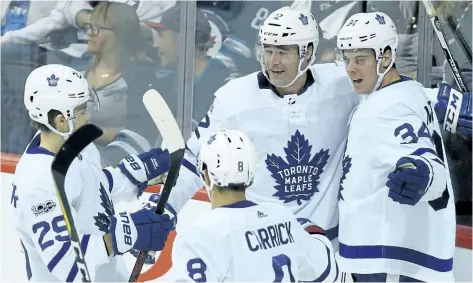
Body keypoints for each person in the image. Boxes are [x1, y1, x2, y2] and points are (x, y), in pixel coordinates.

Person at [134, 6, 471, 264]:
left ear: (307, 52)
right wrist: (159, 209)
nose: (273, 60)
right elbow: (194, 162)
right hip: (262, 244)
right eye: (268, 49)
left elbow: (395, 89)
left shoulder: (341, 84)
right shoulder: (233, 98)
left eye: (284, 51)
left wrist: (450, 105)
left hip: (327, 250)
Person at [10, 64, 176, 281]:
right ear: (61, 121)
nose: (88, 115)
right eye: (81, 110)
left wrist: (135, 173)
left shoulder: (76, 143)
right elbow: (68, 265)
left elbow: (92, 188)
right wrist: (126, 234)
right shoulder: (38, 183)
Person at [336, 12, 455, 282]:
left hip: (385, 254)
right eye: (347, 59)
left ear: (387, 57)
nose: (351, 68)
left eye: (361, 60)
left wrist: (422, 174)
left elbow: (421, 156)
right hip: (396, 249)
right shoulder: (409, 88)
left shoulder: (385, 108)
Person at [169, 129, 337, 282]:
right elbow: (324, 269)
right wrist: (312, 231)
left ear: (206, 174)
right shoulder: (282, 218)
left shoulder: (200, 235)